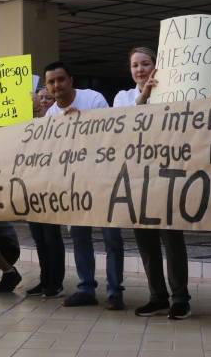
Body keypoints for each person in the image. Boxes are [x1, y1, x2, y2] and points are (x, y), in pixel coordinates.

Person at [114, 45, 211, 320]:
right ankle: (157, 297)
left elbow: (207, 97)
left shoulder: (174, 91)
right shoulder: (124, 96)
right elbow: (121, 122)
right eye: (135, 65)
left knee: (171, 238)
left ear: (156, 65)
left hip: (169, 174)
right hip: (138, 177)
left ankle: (180, 298)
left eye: (145, 64)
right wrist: (143, 96)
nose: (140, 70)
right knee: (146, 241)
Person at [44, 61, 125, 310]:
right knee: (79, 236)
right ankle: (86, 288)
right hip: (74, 184)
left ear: (71, 80)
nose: (57, 85)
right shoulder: (50, 115)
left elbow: (109, 135)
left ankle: (114, 292)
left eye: (60, 80)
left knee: (111, 237)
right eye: (51, 82)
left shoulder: (93, 99)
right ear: (47, 87)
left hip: (103, 180)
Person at [24, 85, 66, 299]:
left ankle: (55, 281)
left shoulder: (57, 123)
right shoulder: (25, 125)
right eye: (39, 98)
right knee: (39, 237)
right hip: (31, 187)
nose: (43, 101)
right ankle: (44, 279)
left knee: (51, 236)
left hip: (50, 187)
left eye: (47, 98)